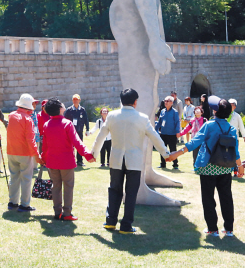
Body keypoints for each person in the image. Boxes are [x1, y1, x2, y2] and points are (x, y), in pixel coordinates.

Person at [91, 88, 172, 234]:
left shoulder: (111, 116)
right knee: (131, 192)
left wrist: (94, 153)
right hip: (134, 161)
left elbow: (100, 136)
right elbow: (155, 137)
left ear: (121, 100)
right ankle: (126, 225)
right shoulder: (142, 118)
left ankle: (110, 221)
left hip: (115, 160)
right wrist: (166, 154)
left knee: (114, 189)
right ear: (135, 102)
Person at [168, 99, 244, 237]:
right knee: (226, 198)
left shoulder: (209, 125)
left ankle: (212, 229)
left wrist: (176, 153)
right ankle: (229, 229)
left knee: (208, 198)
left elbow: (194, 142)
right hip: (225, 168)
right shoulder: (231, 128)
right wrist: (240, 166)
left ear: (215, 112)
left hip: (208, 167)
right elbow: (235, 151)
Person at [42, 98, 95, 221]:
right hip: (66, 161)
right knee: (68, 186)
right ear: (60, 109)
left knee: (55, 186)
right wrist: (87, 155)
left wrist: (43, 158)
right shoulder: (67, 123)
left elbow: (45, 146)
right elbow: (77, 142)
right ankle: (67, 213)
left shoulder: (46, 124)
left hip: (52, 161)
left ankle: (57, 212)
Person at [6, 93, 43, 212]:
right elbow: (30, 140)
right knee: (26, 179)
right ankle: (24, 204)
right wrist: (36, 155)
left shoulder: (11, 115)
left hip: (11, 151)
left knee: (14, 177)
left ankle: (12, 202)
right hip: (24, 153)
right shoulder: (28, 119)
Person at [155, 95, 181, 169]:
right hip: (163, 133)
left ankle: (175, 164)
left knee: (173, 149)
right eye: (165, 101)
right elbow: (159, 122)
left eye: (167, 101)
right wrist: (155, 129)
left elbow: (177, 122)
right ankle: (163, 164)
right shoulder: (162, 111)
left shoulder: (174, 112)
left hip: (172, 134)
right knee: (162, 149)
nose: (165, 102)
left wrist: (177, 132)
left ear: (171, 103)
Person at [64, 94, 89, 167]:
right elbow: (65, 120)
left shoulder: (82, 110)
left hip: (79, 131)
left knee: (80, 146)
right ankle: (70, 161)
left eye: (77, 100)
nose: (75, 101)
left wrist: (87, 129)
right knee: (70, 147)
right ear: (72, 100)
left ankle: (80, 161)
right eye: (74, 100)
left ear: (79, 100)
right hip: (70, 132)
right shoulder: (69, 110)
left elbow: (86, 120)